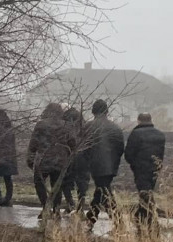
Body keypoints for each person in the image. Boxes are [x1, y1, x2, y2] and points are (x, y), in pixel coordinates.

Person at [27, 102, 74, 218]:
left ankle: (45, 207)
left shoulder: (41, 125)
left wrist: (30, 160)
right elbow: (73, 143)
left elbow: (33, 144)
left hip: (43, 160)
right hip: (60, 161)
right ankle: (56, 210)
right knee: (57, 186)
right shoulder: (66, 126)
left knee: (39, 183)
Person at [83, 99, 124, 229]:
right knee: (102, 190)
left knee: (104, 192)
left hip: (95, 165)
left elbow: (83, 148)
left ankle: (117, 221)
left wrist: (88, 161)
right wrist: (114, 160)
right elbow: (120, 147)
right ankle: (91, 219)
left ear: (93, 111)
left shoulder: (88, 126)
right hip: (111, 165)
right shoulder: (115, 127)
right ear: (107, 111)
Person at [124, 112, 166, 231]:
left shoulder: (136, 134)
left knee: (145, 193)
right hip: (155, 168)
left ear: (138, 120)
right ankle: (140, 216)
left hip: (141, 168)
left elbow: (128, 153)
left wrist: (134, 164)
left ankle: (152, 220)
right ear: (150, 120)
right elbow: (161, 154)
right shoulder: (160, 135)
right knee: (147, 191)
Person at [61, 106, 90, 211]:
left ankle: (70, 203)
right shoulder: (84, 124)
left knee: (65, 181)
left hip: (69, 155)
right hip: (83, 155)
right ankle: (80, 206)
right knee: (82, 182)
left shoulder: (64, 124)